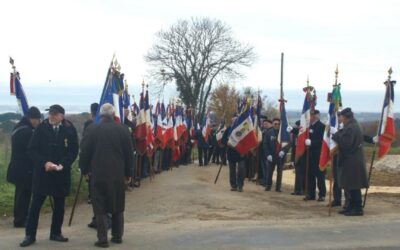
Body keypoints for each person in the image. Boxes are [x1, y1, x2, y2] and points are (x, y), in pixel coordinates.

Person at [20, 104, 79, 247]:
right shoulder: (40, 128)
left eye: (54, 114)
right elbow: (31, 150)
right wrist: (44, 163)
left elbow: (73, 151)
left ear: (61, 116)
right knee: (35, 206)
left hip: (60, 174)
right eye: (50, 113)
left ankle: (55, 233)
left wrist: (63, 164)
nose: (51, 116)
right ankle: (30, 235)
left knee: (59, 205)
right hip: (43, 173)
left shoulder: (69, 130)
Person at [79, 103, 134, 247]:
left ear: (101, 115)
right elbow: (129, 154)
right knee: (118, 204)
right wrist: (129, 173)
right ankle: (117, 236)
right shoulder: (123, 129)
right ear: (113, 114)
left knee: (100, 206)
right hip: (118, 174)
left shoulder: (92, 129)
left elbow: (84, 152)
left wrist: (84, 170)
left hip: (98, 173)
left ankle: (102, 239)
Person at [7, 107, 41, 228]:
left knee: (20, 194)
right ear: (32, 119)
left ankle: (19, 217)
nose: (38, 122)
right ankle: (20, 220)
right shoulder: (27, 132)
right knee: (24, 195)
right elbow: (32, 150)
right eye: (37, 120)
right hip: (24, 168)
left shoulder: (18, 128)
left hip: (17, 166)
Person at [331, 108, 369, 216]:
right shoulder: (352, 125)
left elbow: (347, 143)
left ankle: (357, 208)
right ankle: (351, 206)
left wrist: (336, 135)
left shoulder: (351, 127)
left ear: (345, 117)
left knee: (354, 185)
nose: (340, 118)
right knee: (351, 185)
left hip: (352, 160)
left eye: (341, 116)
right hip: (351, 160)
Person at [303, 110, 326, 201]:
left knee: (320, 176)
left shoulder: (322, 126)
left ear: (317, 116)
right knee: (310, 175)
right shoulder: (310, 126)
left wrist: (312, 142)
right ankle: (311, 194)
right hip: (310, 154)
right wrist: (293, 130)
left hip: (318, 154)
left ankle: (322, 194)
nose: (310, 117)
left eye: (312, 115)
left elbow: (322, 141)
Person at [264, 118, 289, 192]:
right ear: (272, 124)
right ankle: (268, 186)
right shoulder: (269, 132)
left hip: (280, 156)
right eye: (275, 124)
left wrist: (284, 151)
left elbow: (288, 143)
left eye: (278, 124)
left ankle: (278, 188)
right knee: (269, 172)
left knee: (280, 172)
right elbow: (265, 144)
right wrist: (268, 154)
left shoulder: (284, 133)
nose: (277, 125)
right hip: (271, 156)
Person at [222, 115, 246, 192]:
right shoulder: (228, 129)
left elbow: (246, 139)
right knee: (232, 170)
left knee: (241, 169)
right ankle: (234, 185)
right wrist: (227, 143)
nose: (235, 121)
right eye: (234, 119)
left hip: (241, 153)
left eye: (237, 119)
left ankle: (240, 185)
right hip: (231, 152)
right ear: (232, 120)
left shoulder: (243, 129)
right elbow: (223, 140)